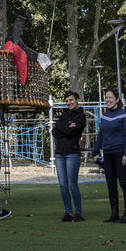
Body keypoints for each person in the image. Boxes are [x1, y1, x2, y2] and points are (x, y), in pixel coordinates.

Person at [93, 87, 126, 223]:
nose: (108, 100)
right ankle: (114, 213)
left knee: (124, 184)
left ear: (117, 99)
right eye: (106, 97)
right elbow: (101, 135)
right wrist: (95, 151)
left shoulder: (125, 115)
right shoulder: (104, 116)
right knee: (111, 184)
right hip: (108, 153)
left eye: (110, 97)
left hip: (120, 153)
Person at [52, 90, 87, 222]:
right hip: (60, 153)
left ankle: (78, 212)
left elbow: (72, 132)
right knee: (62, 185)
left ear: (77, 100)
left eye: (71, 100)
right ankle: (68, 212)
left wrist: (62, 127)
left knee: (73, 184)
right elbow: (55, 131)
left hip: (72, 153)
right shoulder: (64, 115)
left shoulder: (81, 117)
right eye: (66, 101)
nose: (69, 103)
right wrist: (65, 127)